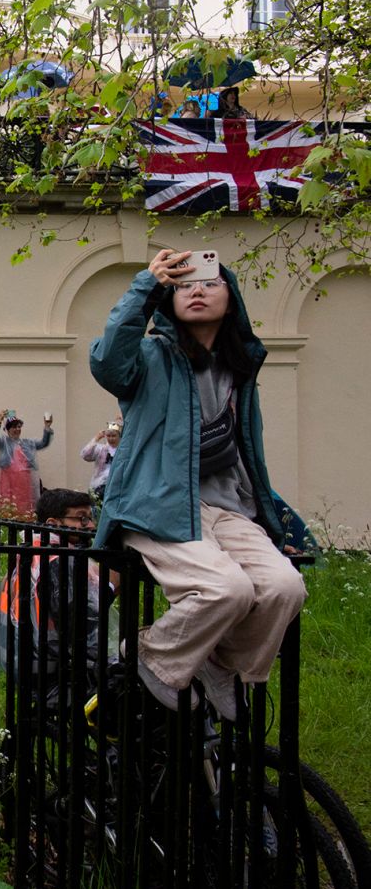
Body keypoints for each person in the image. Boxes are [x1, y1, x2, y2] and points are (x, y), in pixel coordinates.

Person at [90, 249, 306, 721]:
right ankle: (152, 656)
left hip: (228, 508)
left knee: (284, 588)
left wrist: (270, 522)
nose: (197, 290)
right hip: (158, 504)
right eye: (184, 285)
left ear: (232, 301)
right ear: (169, 300)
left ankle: (218, 664)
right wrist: (146, 286)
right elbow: (108, 363)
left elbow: (249, 454)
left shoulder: (241, 368)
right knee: (227, 589)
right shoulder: (151, 356)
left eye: (210, 283)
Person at [0, 488, 117, 709]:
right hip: (52, 669)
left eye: (90, 518)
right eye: (81, 518)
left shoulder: (30, 550)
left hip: (22, 660)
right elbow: (79, 623)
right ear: (53, 523)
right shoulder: (57, 561)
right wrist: (112, 584)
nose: (90, 526)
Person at [0, 410, 54, 519]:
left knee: (25, 508)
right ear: (8, 429)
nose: (17, 429)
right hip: (8, 482)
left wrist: (47, 427)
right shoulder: (4, 442)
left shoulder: (27, 443)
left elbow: (43, 443)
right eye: (14, 427)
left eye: (19, 427)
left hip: (24, 483)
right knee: (7, 507)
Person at [80, 421, 121, 503]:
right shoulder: (101, 449)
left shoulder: (123, 450)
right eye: (108, 436)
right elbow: (84, 454)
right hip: (100, 485)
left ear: (119, 436)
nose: (111, 438)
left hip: (117, 485)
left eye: (114, 436)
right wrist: (96, 438)